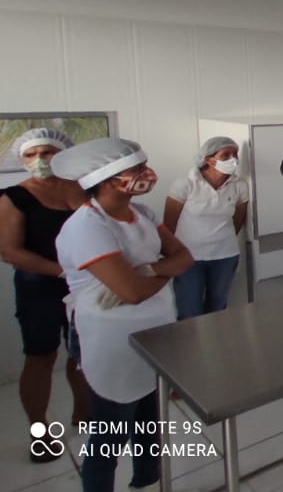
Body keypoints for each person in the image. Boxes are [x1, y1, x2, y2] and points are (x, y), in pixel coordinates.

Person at [52, 138, 194, 492]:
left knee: (150, 420)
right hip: (110, 339)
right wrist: (157, 272)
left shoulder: (143, 214)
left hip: (155, 330)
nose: (147, 174)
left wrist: (148, 271)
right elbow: (132, 293)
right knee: (112, 430)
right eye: (137, 169)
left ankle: (147, 480)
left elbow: (185, 258)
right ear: (109, 179)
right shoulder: (86, 226)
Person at [0, 129, 93, 462]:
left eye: (48, 152)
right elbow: (9, 251)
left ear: (63, 153)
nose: (39, 160)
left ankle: (84, 415)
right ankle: (39, 431)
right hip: (39, 287)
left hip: (85, 285)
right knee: (40, 357)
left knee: (83, 354)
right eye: (31, 154)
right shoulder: (14, 197)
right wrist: (61, 271)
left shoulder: (82, 189)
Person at [164, 136, 250, 320]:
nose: (233, 159)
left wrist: (220, 238)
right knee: (189, 310)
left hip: (225, 256)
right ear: (208, 159)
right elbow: (169, 224)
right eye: (226, 155)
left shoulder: (239, 185)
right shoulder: (185, 183)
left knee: (217, 308)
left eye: (235, 154)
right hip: (189, 258)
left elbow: (238, 219)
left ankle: (214, 339)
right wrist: (170, 256)